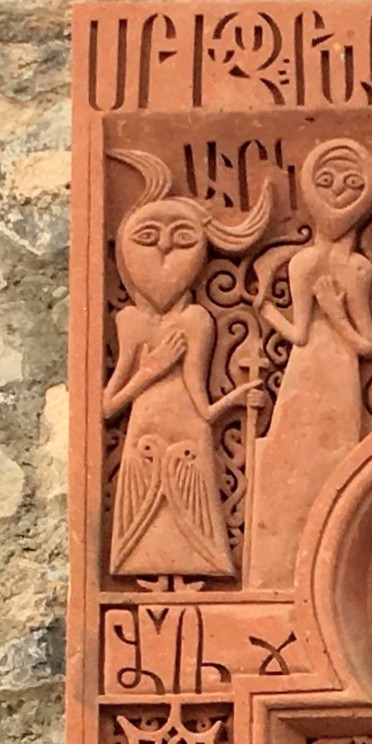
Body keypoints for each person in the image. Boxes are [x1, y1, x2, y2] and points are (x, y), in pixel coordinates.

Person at [101, 157, 274, 580]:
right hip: (143, 432)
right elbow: (108, 408)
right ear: (124, 246)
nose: (163, 248)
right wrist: (152, 370)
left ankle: (191, 576)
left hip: (188, 438)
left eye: (181, 238)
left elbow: (202, 405)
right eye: (148, 236)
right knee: (146, 502)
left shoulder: (197, 320)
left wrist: (238, 398)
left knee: (190, 506)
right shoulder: (130, 322)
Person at [245, 135, 372, 589]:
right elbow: (299, 333)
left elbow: (367, 345)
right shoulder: (302, 264)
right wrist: (265, 310)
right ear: (309, 189)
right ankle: (281, 571)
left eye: (351, 183)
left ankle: (334, 576)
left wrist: (336, 312)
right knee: (291, 458)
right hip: (305, 374)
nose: (339, 192)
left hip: (341, 375)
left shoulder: (359, 269)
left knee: (339, 463)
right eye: (326, 181)